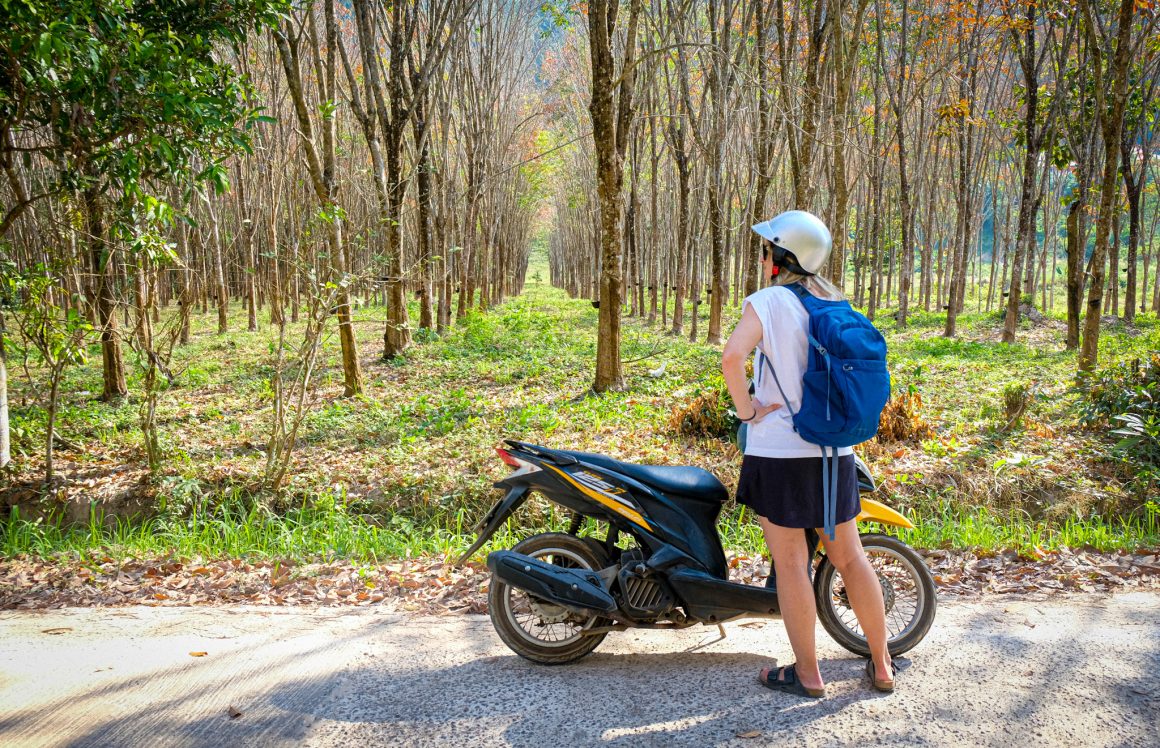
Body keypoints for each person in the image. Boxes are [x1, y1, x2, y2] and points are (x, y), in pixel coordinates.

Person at [721, 210, 895, 698]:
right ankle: (880, 663)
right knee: (852, 558)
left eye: (764, 249)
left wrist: (748, 410)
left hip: (778, 452)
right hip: (833, 450)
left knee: (792, 563)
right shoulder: (833, 300)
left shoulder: (769, 300)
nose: (760, 257)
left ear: (779, 256)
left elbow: (733, 357)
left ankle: (808, 674)